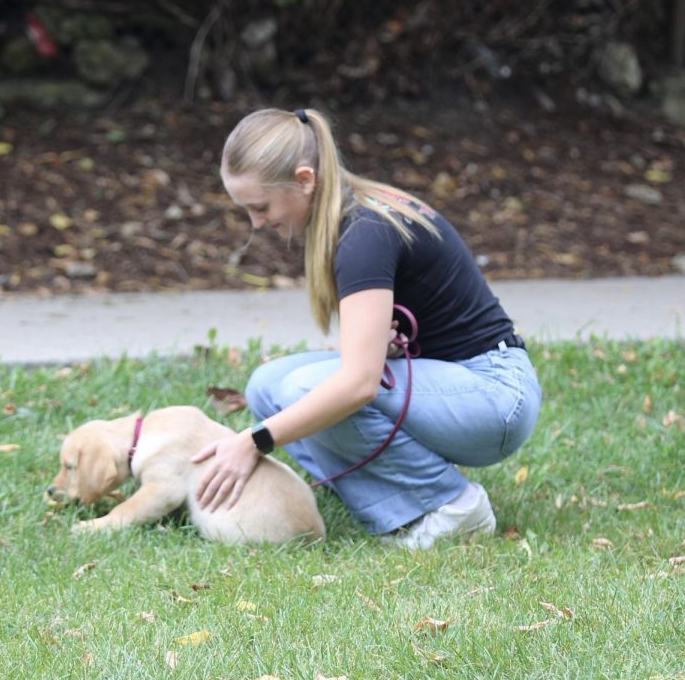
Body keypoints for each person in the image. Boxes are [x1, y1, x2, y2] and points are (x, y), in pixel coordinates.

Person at [189, 107, 542, 548]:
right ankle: (387, 499)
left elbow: (359, 384)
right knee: (266, 386)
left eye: (260, 207)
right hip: (463, 386)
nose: (256, 223)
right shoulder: (353, 214)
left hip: (497, 397)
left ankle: (453, 506)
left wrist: (253, 441)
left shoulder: (365, 234)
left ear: (304, 180)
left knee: (305, 390)